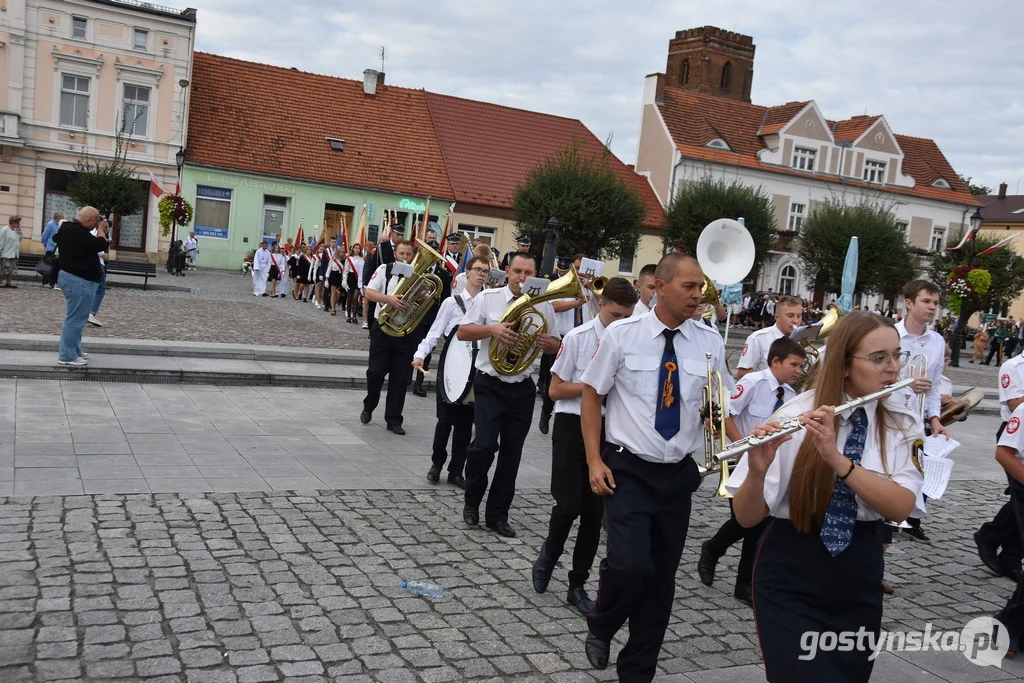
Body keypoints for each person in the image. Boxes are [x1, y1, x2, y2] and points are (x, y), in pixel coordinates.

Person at [728, 311, 924, 682]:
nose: (893, 367)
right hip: (792, 566)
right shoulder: (798, 414)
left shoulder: (902, 421)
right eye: (879, 358)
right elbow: (747, 517)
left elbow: (901, 506)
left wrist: (837, 459)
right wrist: (756, 472)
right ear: (845, 365)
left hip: (859, 568)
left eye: (896, 355)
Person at [579, 253, 728, 679]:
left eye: (701, 287)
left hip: (677, 474)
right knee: (629, 565)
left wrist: (750, 441)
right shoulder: (623, 335)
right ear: (659, 287)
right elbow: (592, 394)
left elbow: (720, 404)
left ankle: (637, 671)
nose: (698, 295)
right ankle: (603, 623)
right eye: (689, 287)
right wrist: (593, 460)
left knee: (661, 582)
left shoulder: (710, 342)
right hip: (628, 469)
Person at [533, 277, 637, 616]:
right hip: (571, 425)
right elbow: (555, 390)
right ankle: (550, 551)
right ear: (601, 305)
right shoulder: (578, 338)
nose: (621, 322)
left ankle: (577, 583)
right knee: (568, 504)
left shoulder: (633, 342)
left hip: (610, 429)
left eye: (627, 316)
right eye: (616, 315)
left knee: (594, 515)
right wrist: (592, 387)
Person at [458, 252, 561, 538]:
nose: (522, 278)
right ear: (507, 271)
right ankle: (472, 501)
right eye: (517, 271)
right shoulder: (488, 299)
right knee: (484, 445)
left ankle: (497, 515)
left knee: (511, 455)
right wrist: (492, 329)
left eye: (528, 273)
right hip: (489, 383)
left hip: (522, 387)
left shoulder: (545, 306)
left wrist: (548, 342)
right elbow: (462, 332)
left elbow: (555, 345)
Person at [698, 337, 806, 606]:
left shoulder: (791, 397)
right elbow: (727, 414)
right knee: (747, 521)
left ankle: (740, 577)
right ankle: (716, 552)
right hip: (742, 459)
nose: (798, 371)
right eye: (794, 365)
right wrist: (742, 447)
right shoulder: (753, 383)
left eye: (802, 367)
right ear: (775, 362)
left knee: (761, 522)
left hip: (769, 464)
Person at [414, 255, 488, 488]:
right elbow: (434, 333)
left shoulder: (488, 302)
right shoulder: (452, 303)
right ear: (467, 273)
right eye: (478, 269)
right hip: (451, 365)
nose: (482, 274)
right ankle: (436, 464)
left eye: (485, 271)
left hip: (475, 367)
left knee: (465, 425)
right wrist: (419, 354)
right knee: (444, 420)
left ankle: (457, 470)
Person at [896, 280, 949, 544]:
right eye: (926, 301)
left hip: (917, 421)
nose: (932, 307)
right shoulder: (890, 335)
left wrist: (935, 420)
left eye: (935, 303)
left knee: (919, 471)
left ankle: (909, 519)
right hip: (890, 416)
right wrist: (908, 383)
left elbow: (935, 387)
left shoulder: (937, 341)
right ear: (909, 303)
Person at [975, 349, 1024, 583]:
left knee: (1020, 498)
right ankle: (991, 538)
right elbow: (1015, 404)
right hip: (1013, 433)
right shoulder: (1013, 367)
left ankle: (1007, 552)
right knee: (1021, 496)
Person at [361, 240, 417, 435]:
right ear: (395, 254)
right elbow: (368, 292)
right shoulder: (385, 269)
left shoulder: (417, 275)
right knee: (375, 372)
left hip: (405, 331)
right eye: (402, 253)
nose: (405, 257)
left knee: (400, 377)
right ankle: (369, 405)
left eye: (409, 254)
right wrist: (390, 299)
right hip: (383, 329)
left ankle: (393, 419)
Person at [539, 255, 591, 434]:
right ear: (570, 267)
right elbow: (552, 305)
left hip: (583, 340)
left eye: (582, 268)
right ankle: (546, 412)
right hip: (561, 337)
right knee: (553, 378)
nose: (579, 271)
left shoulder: (589, 288)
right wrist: (576, 302)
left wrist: (591, 292)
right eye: (576, 267)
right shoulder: (559, 284)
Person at [53, 207, 109, 366]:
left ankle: (74, 350)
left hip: (76, 279)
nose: (95, 225)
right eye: (95, 222)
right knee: (75, 319)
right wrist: (100, 230)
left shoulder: (70, 229)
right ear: (90, 220)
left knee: (78, 318)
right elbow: (100, 245)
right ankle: (67, 356)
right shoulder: (77, 232)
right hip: (78, 280)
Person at [736, 296, 803, 379]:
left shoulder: (802, 340)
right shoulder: (758, 338)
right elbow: (742, 373)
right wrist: (775, 378)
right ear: (777, 317)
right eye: (790, 316)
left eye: (799, 316)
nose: (795, 321)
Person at [362, 223, 404, 328]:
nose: (399, 237)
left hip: (398, 282)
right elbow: (372, 266)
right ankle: (372, 327)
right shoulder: (382, 247)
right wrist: (366, 284)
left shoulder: (403, 248)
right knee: (373, 305)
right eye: (397, 234)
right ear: (391, 234)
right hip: (381, 280)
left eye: (401, 235)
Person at [87, 219, 110, 327]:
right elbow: (97, 249)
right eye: (105, 227)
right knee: (100, 289)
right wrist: (104, 255)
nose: (106, 229)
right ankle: (91, 312)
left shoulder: (90, 232)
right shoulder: (96, 233)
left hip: (94, 264)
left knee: (92, 288)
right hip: (98, 264)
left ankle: (86, 312)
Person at [39, 212, 63, 288]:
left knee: (55, 266)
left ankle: (52, 282)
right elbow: (45, 235)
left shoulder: (60, 226)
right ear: (57, 218)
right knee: (47, 265)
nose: (62, 219)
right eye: (61, 217)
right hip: (50, 248)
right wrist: (45, 244)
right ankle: (45, 282)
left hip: (57, 250)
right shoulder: (50, 224)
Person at [342, 243, 364, 323]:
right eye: (356, 248)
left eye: (359, 248)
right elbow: (346, 271)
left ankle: (354, 316)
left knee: (355, 298)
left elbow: (362, 272)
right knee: (349, 298)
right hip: (350, 278)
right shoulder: (349, 259)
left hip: (358, 279)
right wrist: (344, 281)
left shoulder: (362, 259)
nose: (357, 249)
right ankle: (348, 316)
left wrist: (361, 283)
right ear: (353, 249)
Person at [0, 215, 23, 288]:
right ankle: (0, 282)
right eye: (17, 223)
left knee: (11, 270)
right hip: (6, 253)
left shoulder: (16, 231)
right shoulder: (5, 230)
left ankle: (8, 282)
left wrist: (20, 233)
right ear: (12, 222)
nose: (18, 225)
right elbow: (1, 241)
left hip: (14, 253)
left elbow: (20, 240)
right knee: (4, 269)